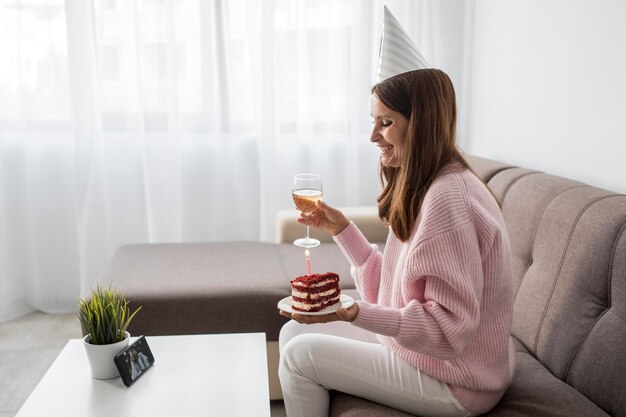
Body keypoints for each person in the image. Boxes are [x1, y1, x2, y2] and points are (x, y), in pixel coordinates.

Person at [278, 7, 514, 417]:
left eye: (385, 123)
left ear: (420, 124)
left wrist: (354, 312)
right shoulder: (425, 184)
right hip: (426, 355)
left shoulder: (447, 199)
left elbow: (447, 331)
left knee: (300, 356)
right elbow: (392, 293)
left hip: (457, 378)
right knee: (292, 329)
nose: (373, 136)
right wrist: (342, 228)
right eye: (374, 121)